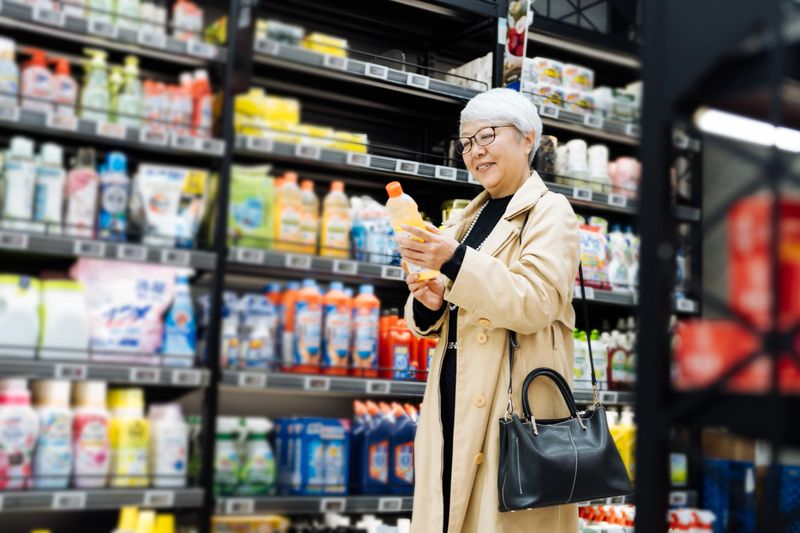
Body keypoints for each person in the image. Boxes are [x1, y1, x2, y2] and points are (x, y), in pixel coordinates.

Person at [397, 88, 580, 533]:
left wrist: (454, 261)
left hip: (510, 408)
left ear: (527, 138)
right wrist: (429, 304)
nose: (475, 151)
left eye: (487, 136)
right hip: (454, 399)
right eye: (466, 143)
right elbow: (450, 306)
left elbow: (535, 301)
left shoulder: (550, 212)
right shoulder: (466, 218)